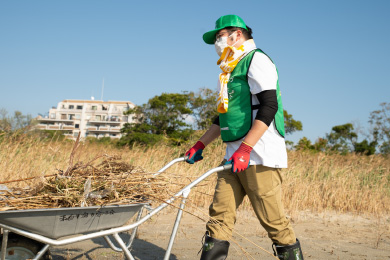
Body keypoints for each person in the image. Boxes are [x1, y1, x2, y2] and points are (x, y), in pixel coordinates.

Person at [185, 15, 304, 260]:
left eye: (220, 36)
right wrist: (199, 144)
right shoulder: (230, 69)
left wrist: (247, 148)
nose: (218, 42)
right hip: (233, 157)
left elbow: (269, 106)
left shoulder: (256, 60)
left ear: (237, 35)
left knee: (274, 222)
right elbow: (225, 117)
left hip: (260, 156)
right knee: (219, 216)